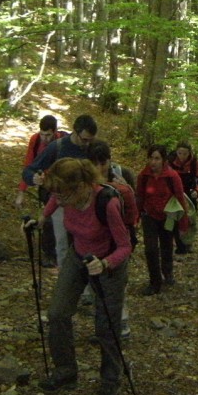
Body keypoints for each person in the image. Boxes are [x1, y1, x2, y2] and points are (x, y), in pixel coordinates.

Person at [31, 158, 132, 395]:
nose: (60, 200)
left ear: (80, 187)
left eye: (63, 194)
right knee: (57, 313)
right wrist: (42, 218)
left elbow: (125, 246)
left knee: (106, 325)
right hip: (79, 256)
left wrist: (105, 263)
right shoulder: (64, 195)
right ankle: (65, 370)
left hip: (108, 263)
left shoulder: (106, 203)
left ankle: (111, 377)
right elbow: (54, 199)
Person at [22, 114, 98, 266]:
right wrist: (34, 179)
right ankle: (65, 278)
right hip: (60, 203)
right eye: (84, 139)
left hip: (87, 205)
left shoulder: (94, 148)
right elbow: (29, 170)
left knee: (87, 244)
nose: (87, 144)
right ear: (75, 132)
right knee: (62, 243)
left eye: (90, 140)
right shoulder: (58, 146)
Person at [88, 140, 138, 338]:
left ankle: (121, 324)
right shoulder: (85, 183)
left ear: (109, 161)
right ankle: (103, 328)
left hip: (118, 241)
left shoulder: (121, 182)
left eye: (103, 163)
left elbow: (132, 213)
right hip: (95, 241)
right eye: (95, 163)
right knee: (97, 287)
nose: (100, 167)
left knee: (116, 286)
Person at [135, 144, 188, 295]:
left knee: (166, 246)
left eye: (157, 158)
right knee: (150, 249)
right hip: (149, 216)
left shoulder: (172, 177)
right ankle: (154, 282)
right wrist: (136, 216)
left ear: (164, 160)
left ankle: (168, 272)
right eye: (151, 158)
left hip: (167, 217)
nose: (153, 162)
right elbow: (139, 197)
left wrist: (183, 223)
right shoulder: (143, 176)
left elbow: (180, 198)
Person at [16, 115, 67, 267]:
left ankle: (59, 253)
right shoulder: (35, 140)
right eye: (42, 134)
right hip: (44, 186)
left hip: (60, 186)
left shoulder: (63, 142)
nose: (44, 138)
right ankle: (49, 253)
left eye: (48, 135)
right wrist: (21, 192)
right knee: (47, 218)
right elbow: (29, 165)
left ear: (55, 132)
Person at [168, 141, 198, 254]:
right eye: (179, 153)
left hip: (190, 196)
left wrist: (197, 191)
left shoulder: (195, 164)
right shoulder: (170, 162)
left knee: (190, 221)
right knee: (173, 220)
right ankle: (177, 244)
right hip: (173, 196)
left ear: (189, 153)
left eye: (185, 153)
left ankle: (188, 243)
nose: (182, 156)